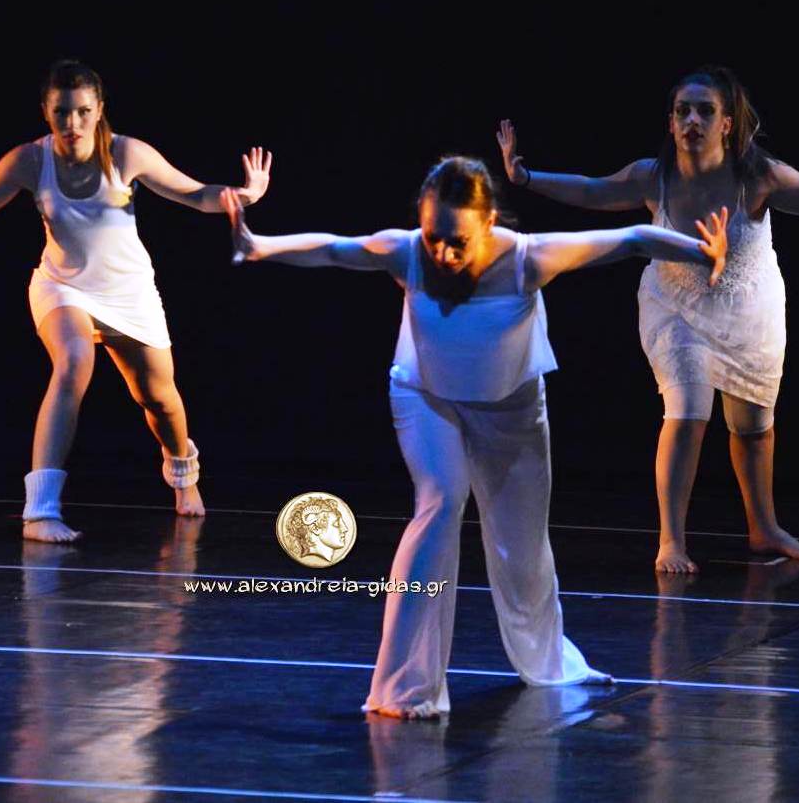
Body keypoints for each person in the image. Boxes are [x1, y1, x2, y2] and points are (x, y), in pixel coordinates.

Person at [221, 156, 729, 717]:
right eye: (433, 237)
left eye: (457, 241)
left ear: (488, 223)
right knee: (438, 505)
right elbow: (336, 249)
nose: (442, 253)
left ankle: (548, 663)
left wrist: (700, 250)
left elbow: (630, 239)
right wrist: (258, 246)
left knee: (522, 545)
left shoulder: (528, 259)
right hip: (426, 398)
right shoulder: (407, 252)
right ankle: (405, 689)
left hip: (511, 408)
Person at [497, 65, 799, 573]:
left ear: (726, 124)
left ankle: (763, 527)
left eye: (705, 111)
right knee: (687, 409)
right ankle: (671, 540)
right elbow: (593, 190)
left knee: (753, 427)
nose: (692, 120)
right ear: (670, 123)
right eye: (682, 111)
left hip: (750, 308)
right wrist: (525, 177)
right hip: (675, 307)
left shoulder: (758, 176)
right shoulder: (653, 176)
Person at [0, 59, 272, 542]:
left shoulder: (126, 153)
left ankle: (182, 472)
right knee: (74, 361)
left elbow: (197, 194)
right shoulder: (30, 161)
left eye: (82, 112)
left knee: (159, 399)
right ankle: (40, 511)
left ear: (99, 110)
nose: (72, 123)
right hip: (62, 286)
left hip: (129, 292)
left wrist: (244, 195)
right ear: (46, 112)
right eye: (61, 112)